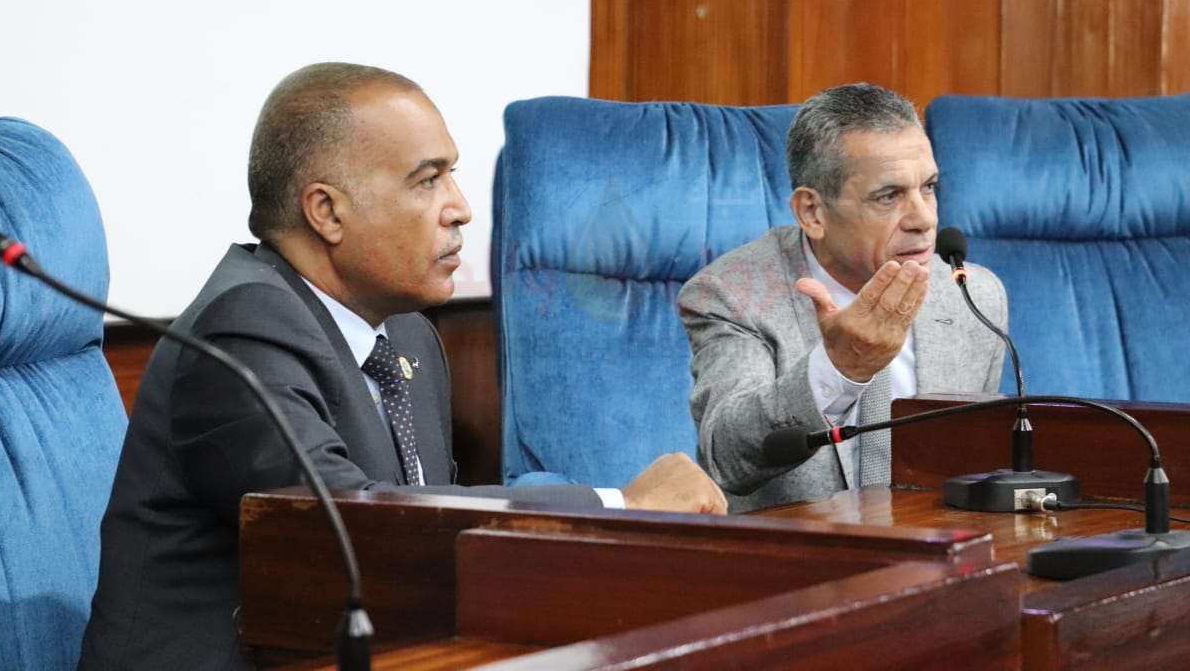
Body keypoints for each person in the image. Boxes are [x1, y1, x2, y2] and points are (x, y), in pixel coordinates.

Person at [78, 63, 726, 670]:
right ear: (326, 211)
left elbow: (429, 525)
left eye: (452, 175)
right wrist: (618, 505)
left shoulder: (406, 333)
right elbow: (355, 534)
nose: (460, 207)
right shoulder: (243, 330)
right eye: (427, 180)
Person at [677, 82, 1006, 512]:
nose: (924, 219)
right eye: (889, 196)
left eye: (928, 187)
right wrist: (840, 368)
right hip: (798, 552)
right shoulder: (732, 295)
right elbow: (728, 457)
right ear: (812, 212)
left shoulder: (973, 296)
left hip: (935, 545)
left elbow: (976, 473)